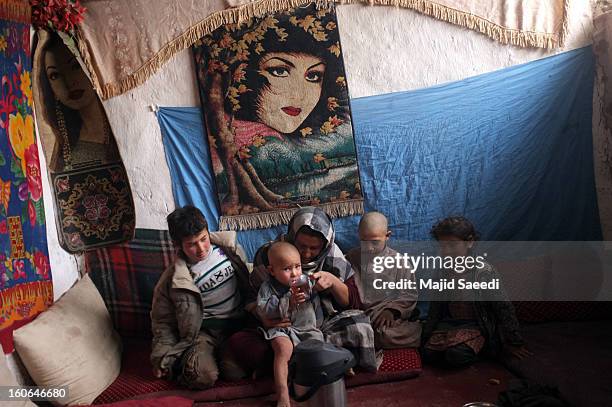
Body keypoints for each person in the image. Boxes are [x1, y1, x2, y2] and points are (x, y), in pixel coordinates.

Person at [193, 4, 357, 215]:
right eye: (279, 70)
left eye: (313, 76)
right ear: (239, 73)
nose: (299, 94)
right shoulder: (227, 133)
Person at [226, 207, 377, 375]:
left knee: (360, 324)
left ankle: (291, 364)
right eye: (301, 246)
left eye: (314, 248)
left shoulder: (332, 255)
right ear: (292, 236)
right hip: (280, 330)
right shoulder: (270, 253)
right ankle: (325, 358)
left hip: (320, 326)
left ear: (325, 245)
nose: (306, 253)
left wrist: (333, 282)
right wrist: (264, 318)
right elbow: (250, 298)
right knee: (239, 342)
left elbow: (354, 302)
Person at [150, 205, 254, 388]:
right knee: (202, 376)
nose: (201, 248)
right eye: (191, 244)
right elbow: (163, 322)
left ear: (208, 231)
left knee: (236, 373)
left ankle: (223, 358)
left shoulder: (230, 252)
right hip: (202, 334)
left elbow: (250, 287)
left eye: (203, 239)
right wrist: (162, 357)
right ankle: (191, 361)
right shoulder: (172, 280)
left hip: (235, 326)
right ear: (178, 245)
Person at [422, 216, 531, 368]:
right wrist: (426, 334)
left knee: (456, 356)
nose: (446, 251)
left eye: (452, 245)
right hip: (449, 323)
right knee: (428, 354)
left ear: (469, 242)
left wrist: (514, 342)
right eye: (442, 246)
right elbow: (436, 306)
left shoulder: (484, 272)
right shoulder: (442, 271)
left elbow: (503, 307)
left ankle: (485, 348)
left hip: (476, 325)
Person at [37, 32, 119, 171]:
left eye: (75, 67)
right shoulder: (68, 151)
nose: (69, 83)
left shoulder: (119, 126)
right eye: (55, 75)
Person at [257, 241, 323, 407]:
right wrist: (287, 301)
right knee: (283, 350)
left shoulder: (304, 281)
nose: (294, 273)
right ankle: (283, 394)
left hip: (306, 328)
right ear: (272, 270)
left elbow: (315, 300)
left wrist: (317, 285)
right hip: (282, 329)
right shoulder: (267, 287)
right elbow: (263, 309)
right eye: (287, 269)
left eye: (297, 266)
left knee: (319, 349)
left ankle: (333, 370)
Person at [346, 211, 422, 349]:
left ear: (387, 236)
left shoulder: (400, 262)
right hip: (359, 314)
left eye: (375, 242)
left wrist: (392, 311)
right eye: (364, 241)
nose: (369, 248)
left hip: (383, 314)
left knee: (385, 334)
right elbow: (347, 289)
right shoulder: (352, 257)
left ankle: (416, 329)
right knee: (347, 332)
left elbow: (408, 293)